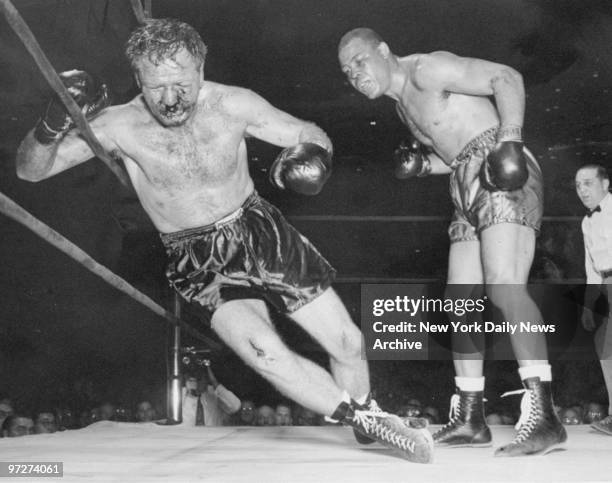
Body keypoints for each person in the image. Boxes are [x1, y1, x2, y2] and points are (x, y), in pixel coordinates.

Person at [15, 18, 432, 463]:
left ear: (200, 69)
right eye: (157, 87)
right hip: (198, 258)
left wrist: (312, 157)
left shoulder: (234, 104)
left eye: (181, 84)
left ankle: (366, 416)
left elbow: (309, 132)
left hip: (259, 230)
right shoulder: (118, 125)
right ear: (137, 78)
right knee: (263, 352)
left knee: (348, 343)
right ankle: (366, 420)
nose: (170, 99)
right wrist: (50, 124)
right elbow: (31, 169)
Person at [338, 27, 566, 456]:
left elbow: (507, 78)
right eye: (347, 70)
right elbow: (455, 153)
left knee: (504, 286)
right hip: (465, 182)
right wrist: (424, 166)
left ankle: (545, 415)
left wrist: (511, 138)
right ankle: (471, 416)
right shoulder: (403, 105)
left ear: (384, 50)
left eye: (360, 60)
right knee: (459, 300)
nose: (354, 73)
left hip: (500, 167)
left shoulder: (427, 69)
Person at [575, 163, 612, 435]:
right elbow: (592, 267)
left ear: (606, 184)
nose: (582, 190)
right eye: (578, 185)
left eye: (588, 183)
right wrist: (588, 305)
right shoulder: (587, 222)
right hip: (606, 284)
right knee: (604, 348)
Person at [182, 360, 241, 426]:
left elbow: (235, 406)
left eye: (200, 379)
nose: (196, 383)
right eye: (191, 380)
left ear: (207, 379)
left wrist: (214, 382)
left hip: (214, 436)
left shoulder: (214, 394)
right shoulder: (179, 395)